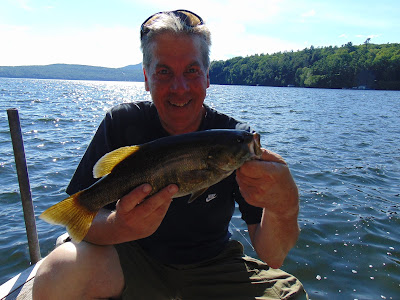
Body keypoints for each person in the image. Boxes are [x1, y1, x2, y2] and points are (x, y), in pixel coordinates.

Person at [33, 9, 308, 300]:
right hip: (130, 260)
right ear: (146, 78)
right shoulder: (121, 123)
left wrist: (285, 206)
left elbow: (273, 256)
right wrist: (118, 227)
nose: (180, 88)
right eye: (164, 72)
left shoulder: (235, 137)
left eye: (191, 71)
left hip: (215, 265)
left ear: (207, 77)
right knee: (57, 272)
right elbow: (82, 220)